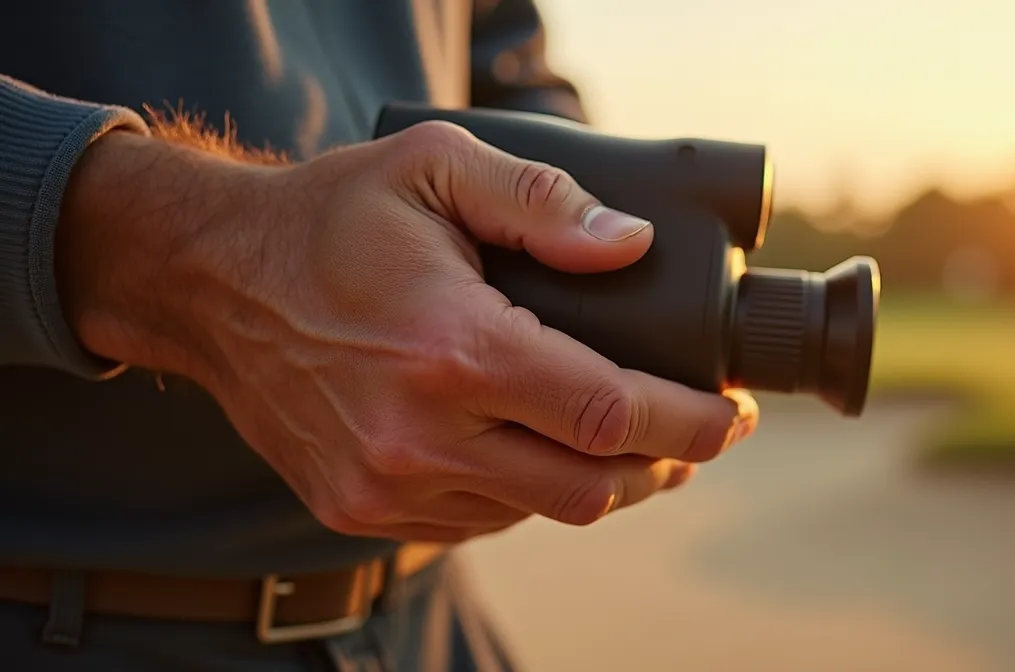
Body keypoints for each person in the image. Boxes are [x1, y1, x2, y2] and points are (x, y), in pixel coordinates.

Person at [0, 2, 759, 670]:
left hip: (427, 623)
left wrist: (597, 255)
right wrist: (207, 255)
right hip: (59, 621)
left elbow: (501, 54)